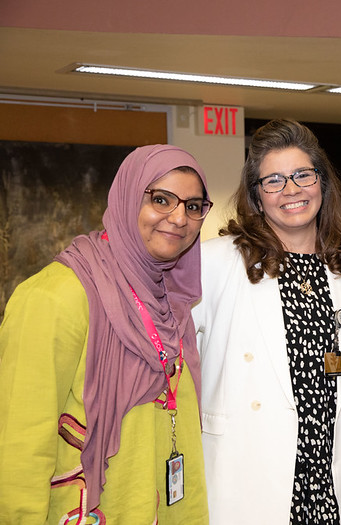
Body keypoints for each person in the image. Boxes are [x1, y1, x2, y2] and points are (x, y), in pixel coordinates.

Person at [0, 145, 213, 523]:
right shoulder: (56, 296)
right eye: (161, 200)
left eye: (193, 206)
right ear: (128, 198)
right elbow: (19, 448)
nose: (180, 218)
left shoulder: (172, 301)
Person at [193, 119, 341, 524]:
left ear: (322, 183)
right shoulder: (215, 262)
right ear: (256, 196)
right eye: (274, 180)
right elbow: (178, 367)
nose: (291, 190)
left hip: (332, 475)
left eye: (302, 175)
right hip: (250, 471)